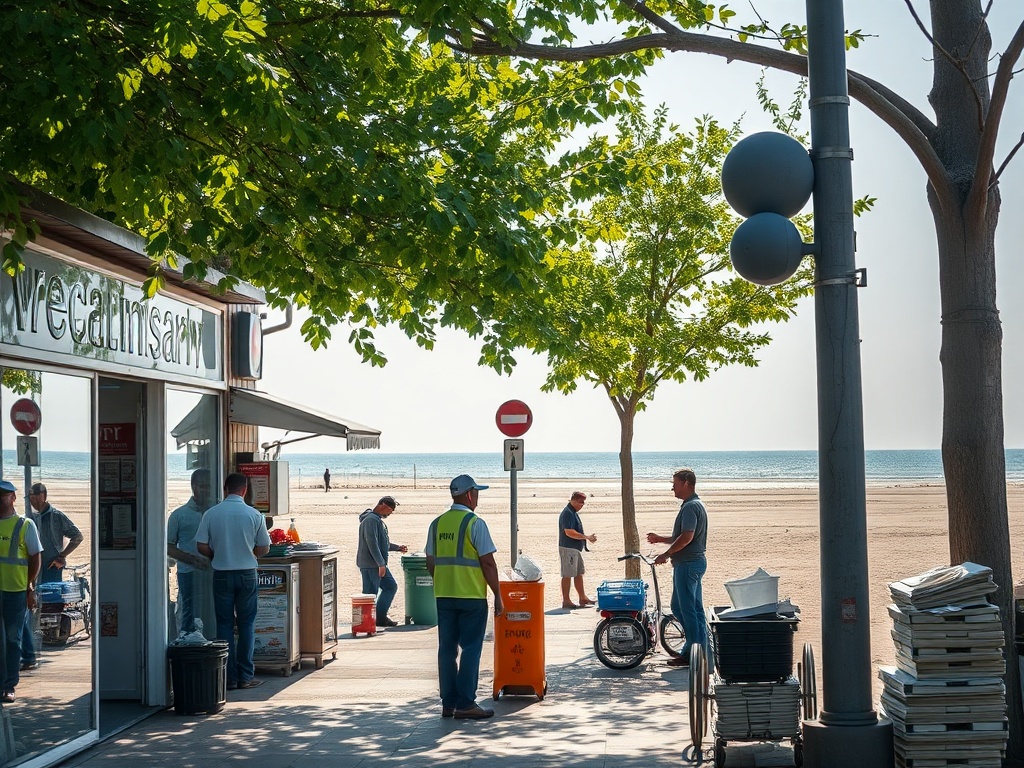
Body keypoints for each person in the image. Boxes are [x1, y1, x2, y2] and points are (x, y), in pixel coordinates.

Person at [425, 474, 503, 720]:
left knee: (446, 650)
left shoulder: (436, 524)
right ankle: (466, 703)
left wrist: (445, 580)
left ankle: (448, 703)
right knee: (471, 648)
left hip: (444, 596)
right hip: (471, 597)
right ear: (469, 494)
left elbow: (430, 562)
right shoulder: (474, 523)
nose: (478, 498)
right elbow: (488, 563)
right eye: (477, 493)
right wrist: (498, 595)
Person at [195, 472, 270, 690]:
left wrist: (215, 554)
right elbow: (264, 547)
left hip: (222, 573)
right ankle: (246, 676)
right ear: (245, 490)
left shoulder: (211, 514)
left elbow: (201, 545)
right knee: (247, 624)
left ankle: (228, 677)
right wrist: (250, 552)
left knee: (225, 624)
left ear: (225, 489)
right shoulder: (254, 514)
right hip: (247, 573)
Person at [647, 467, 709, 667]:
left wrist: (666, 554)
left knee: (688, 609)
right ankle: (699, 649)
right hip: (691, 563)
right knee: (685, 608)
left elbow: (687, 538)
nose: (672, 487)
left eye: (675, 483)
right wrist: (660, 540)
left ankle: (692, 654)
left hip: (688, 564)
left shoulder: (691, 507)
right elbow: (681, 537)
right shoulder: (692, 504)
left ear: (686, 483)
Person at [22, 482, 83, 670]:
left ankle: (47, 640)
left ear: (44, 496)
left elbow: (77, 536)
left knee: (50, 607)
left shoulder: (56, 516)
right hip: (32, 568)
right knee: (30, 606)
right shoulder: (30, 517)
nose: (32, 500)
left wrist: (62, 556)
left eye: (35, 495)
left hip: (51, 568)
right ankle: (31, 644)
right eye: (30, 496)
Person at [0, 479, 42, 703]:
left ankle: (9, 685)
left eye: (4, 495)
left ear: (13, 498)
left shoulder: (25, 525)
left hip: (15, 592)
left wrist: (29, 587)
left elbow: (35, 557)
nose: (0, 499)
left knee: (12, 639)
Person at [167, 469, 214, 636]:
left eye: (208, 486)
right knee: (189, 611)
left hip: (214, 571)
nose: (205, 490)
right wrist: (192, 559)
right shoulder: (179, 515)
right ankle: (188, 646)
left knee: (213, 611)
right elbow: (168, 547)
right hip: (188, 572)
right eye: (202, 486)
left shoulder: (217, 511)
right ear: (193, 487)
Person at [356, 496, 408, 627]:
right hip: (372, 564)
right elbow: (372, 543)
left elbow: (381, 543)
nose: (389, 514)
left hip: (373, 563)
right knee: (373, 593)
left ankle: (375, 619)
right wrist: (381, 563)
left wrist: (397, 547)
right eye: (390, 510)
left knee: (379, 590)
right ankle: (372, 621)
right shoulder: (371, 520)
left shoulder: (374, 520)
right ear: (383, 505)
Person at [558, 491, 597, 610]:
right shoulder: (567, 513)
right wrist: (586, 537)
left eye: (583, 503)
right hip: (568, 547)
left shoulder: (572, 512)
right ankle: (566, 600)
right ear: (573, 501)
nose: (582, 505)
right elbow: (569, 532)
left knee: (579, 573)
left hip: (575, 548)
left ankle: (582, 597)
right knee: (567, 574)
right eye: (580, 502)